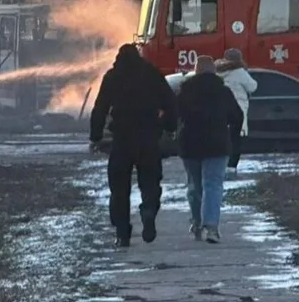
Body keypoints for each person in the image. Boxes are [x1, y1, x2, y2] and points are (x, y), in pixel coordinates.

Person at [90, 44, 178, 248]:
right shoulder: (151, 73)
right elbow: (170, 101)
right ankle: (148, 211)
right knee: (150, 182)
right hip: (148, 137)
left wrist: (95, 136)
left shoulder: (112, 76)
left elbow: (100, 107)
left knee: (119, 188)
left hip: (122, 139)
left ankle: (122, 233)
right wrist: (169, 126)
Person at [177, 55, 243, 244]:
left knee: (194, 186)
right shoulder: (224, 92)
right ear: (214, 71)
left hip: (190, 145)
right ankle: (212, 227)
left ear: (196, 70)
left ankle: (197, 222)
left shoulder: (185, 91)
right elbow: (237, 116)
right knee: (213, 185)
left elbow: (175, 115)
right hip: (217, 144)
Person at [216, 48, 258, 176]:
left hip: (219, 109)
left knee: (222, 138)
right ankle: (231, 166)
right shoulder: (239, 72)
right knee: (235, 139)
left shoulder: (217, 71)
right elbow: (253, 86)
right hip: (237, 108)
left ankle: (221, 164)